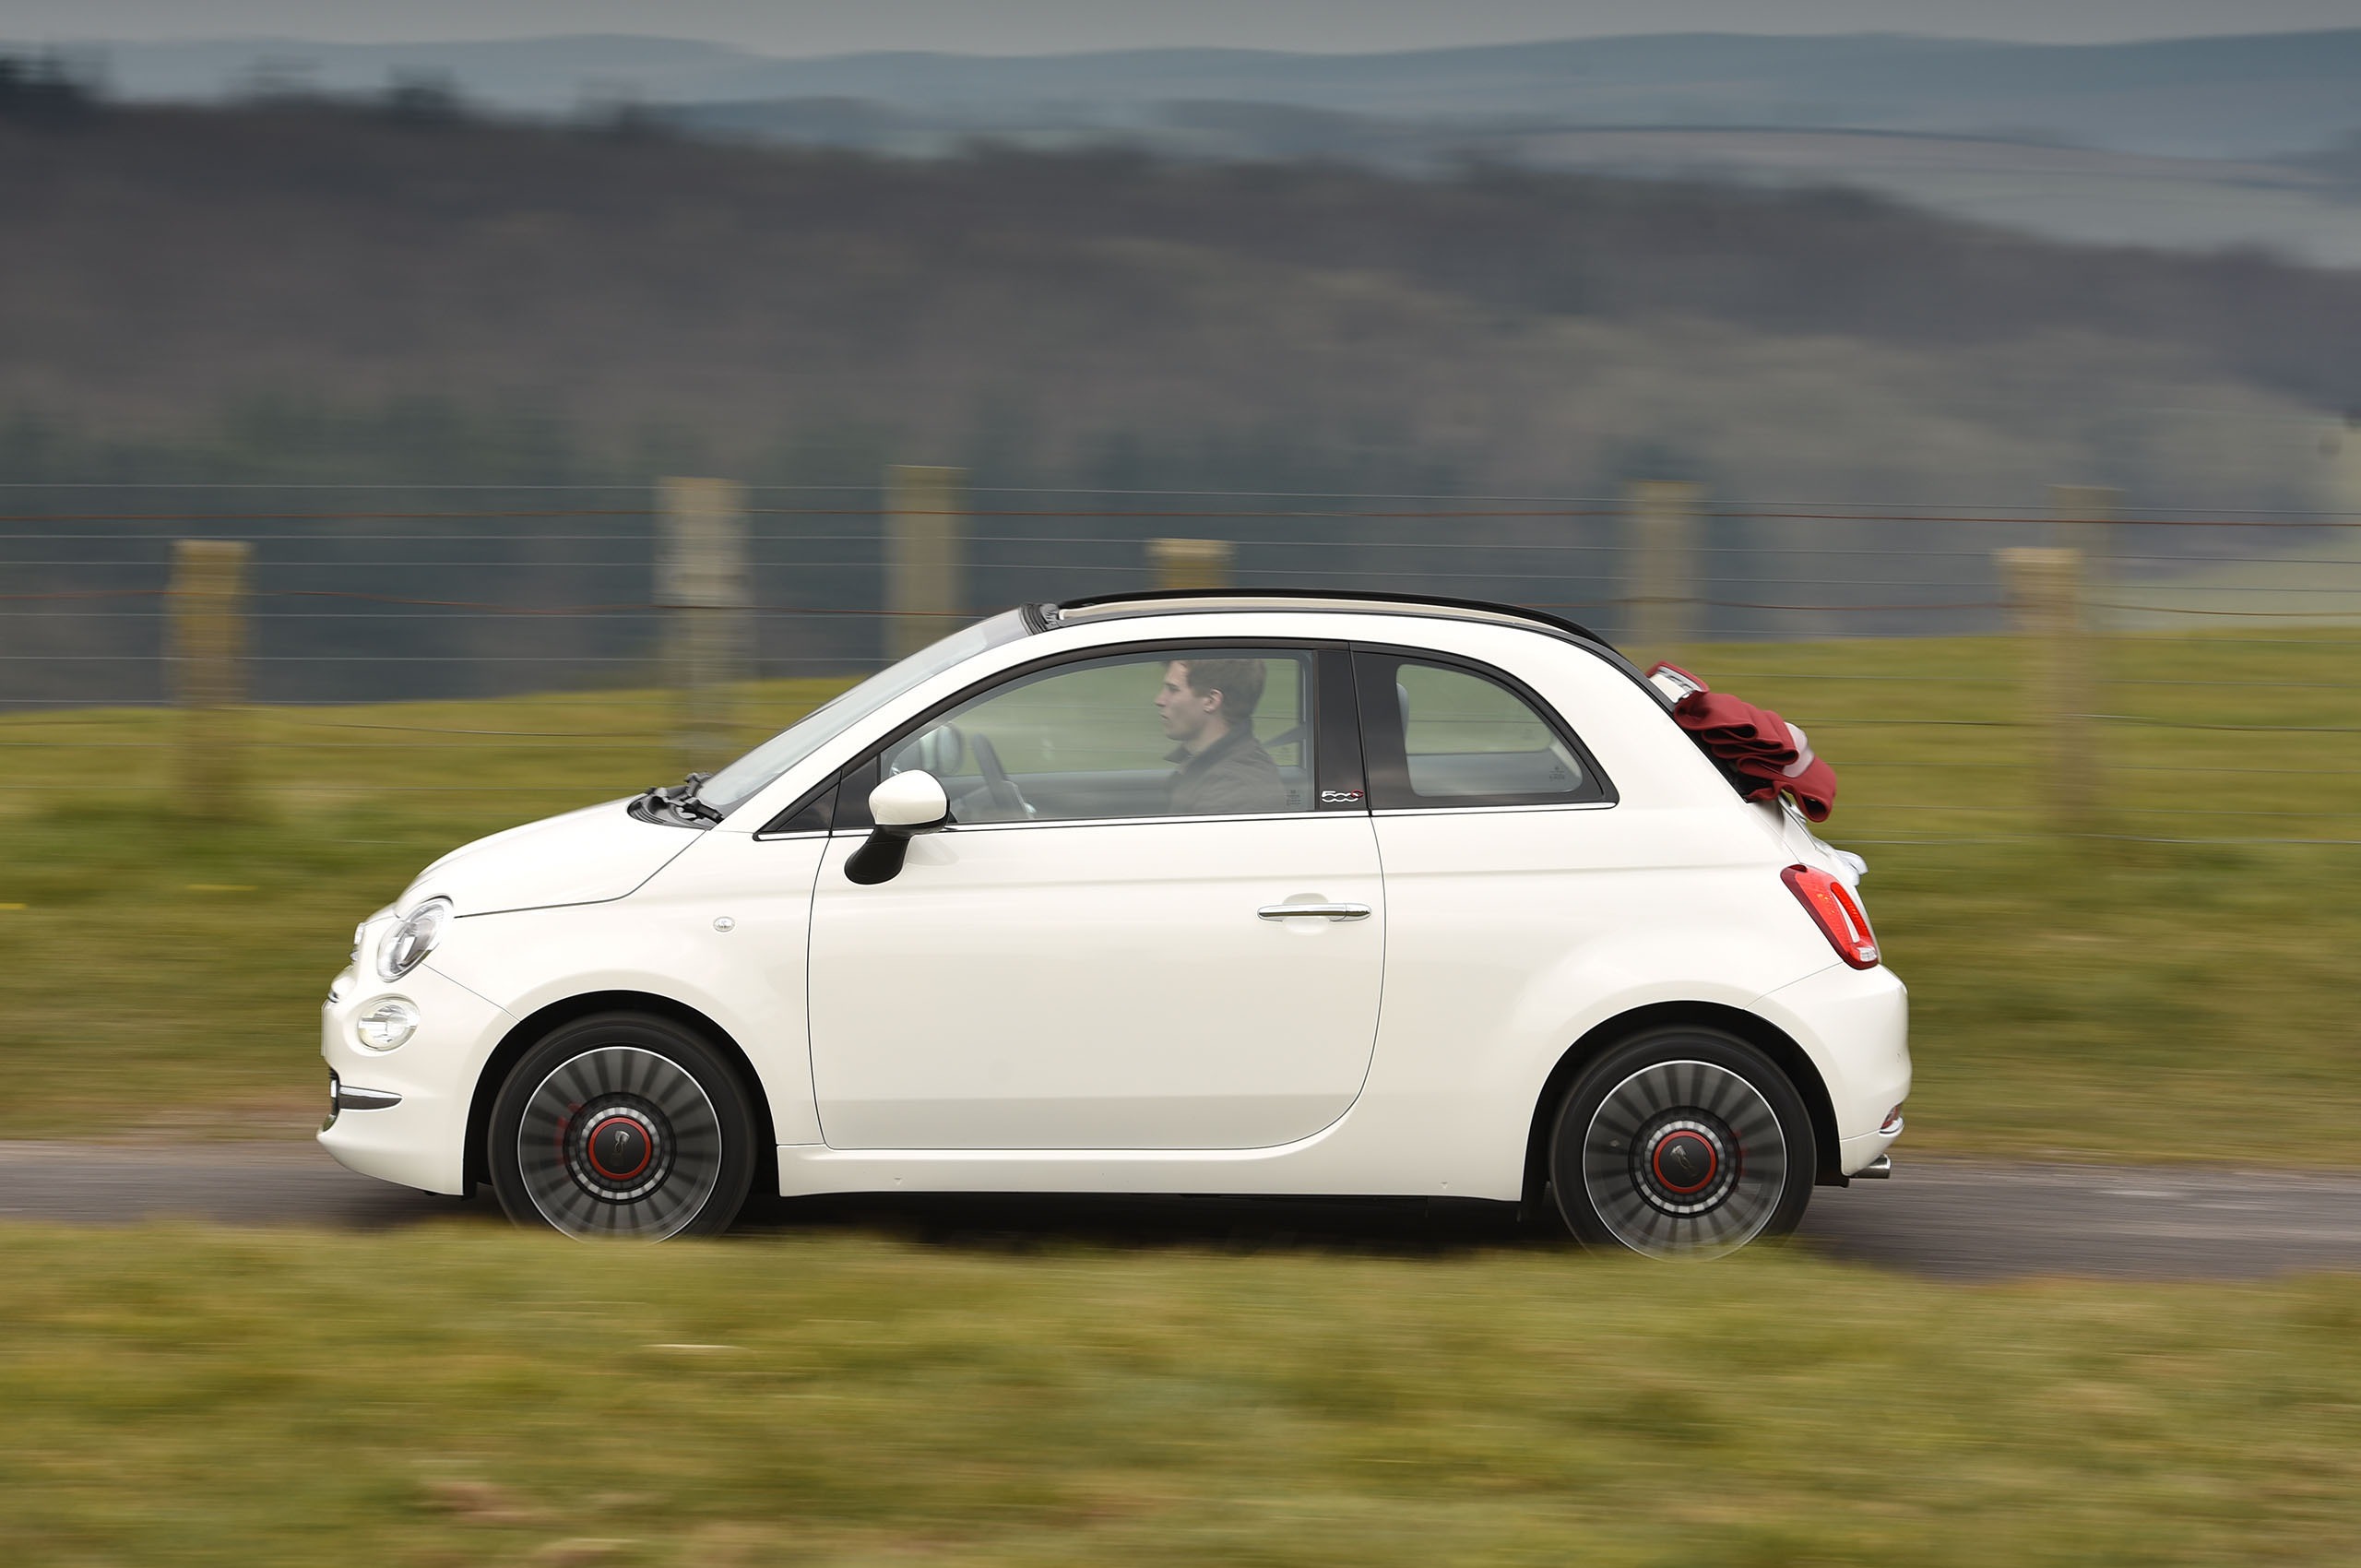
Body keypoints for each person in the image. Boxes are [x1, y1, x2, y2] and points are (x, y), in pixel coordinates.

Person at [1156, 658, 1287, 814]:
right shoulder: (1203, 764)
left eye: (1173, 689)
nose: (1159, 700)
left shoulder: (1237, 790)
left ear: (1211, 701)